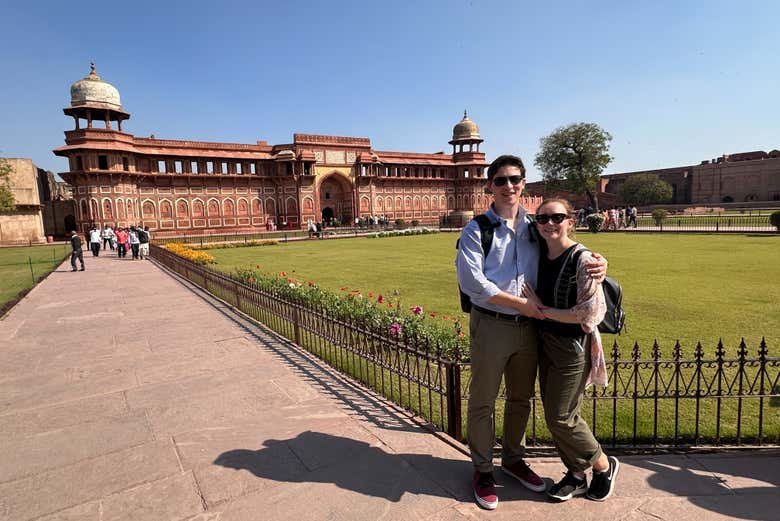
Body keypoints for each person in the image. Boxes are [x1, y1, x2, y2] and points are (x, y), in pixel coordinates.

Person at [455, 155, 607, 510]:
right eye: (501, 180)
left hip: (531, 328)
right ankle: (482, 469)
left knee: (520, 399)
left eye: (515, 179)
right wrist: (519, 303)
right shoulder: (477, 229)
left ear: (524, 183)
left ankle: (512, 459)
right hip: (493, 323)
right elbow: (472, 283)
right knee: (483, 400)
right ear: (488, 185)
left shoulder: (535, 225)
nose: (509, 186)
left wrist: (598, 262)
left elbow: (567, 246)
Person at [521, 198, 619, 502]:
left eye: (557, 217)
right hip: (545, 342)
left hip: (572, 347)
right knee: (556, 416)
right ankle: (576, 474)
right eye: (543, 219)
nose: (550, 223)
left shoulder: (585, 260)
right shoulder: (538, 254)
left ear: (570, 221)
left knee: (562, 417)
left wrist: (541, 310)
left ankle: (602, 465)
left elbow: (588, 314)